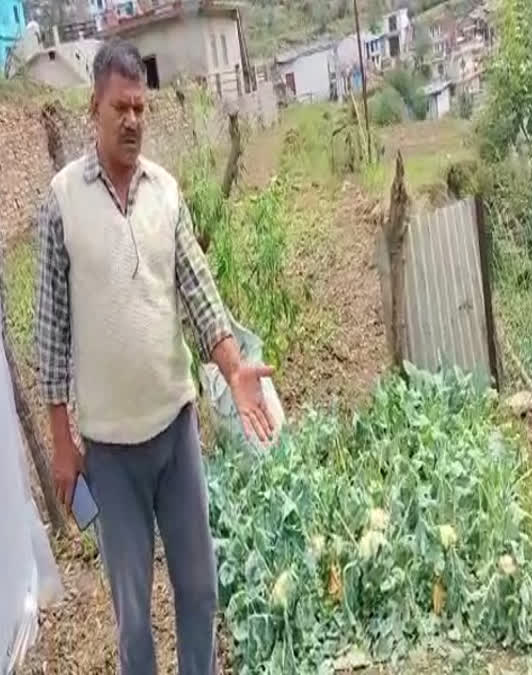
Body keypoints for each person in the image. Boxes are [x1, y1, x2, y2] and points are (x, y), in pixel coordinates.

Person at [33, 39, 276, 675]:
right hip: (109, 452)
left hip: (175, 432)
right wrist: (61, 440)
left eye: (141, 106)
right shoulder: (62, 202)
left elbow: (199, 293)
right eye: (121, 107)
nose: (133, 119)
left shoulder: (166, 192)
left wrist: (232, 367)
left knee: (199, 589)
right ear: (95, 109)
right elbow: (52, 332)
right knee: (133, 614)